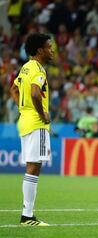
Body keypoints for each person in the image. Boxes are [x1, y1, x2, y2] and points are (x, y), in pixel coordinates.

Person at [9, 33, 54, 226]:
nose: (52, 50)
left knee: (32, 165)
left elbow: (13, 89)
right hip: (36, 123)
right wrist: (42, 113)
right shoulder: (38, 70)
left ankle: (27, 215)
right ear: (39, 50)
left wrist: (22, 108)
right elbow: (36, 92)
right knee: (34, 166)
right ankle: (27, 215)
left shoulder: (25, 68)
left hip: (25, 121)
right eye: (49, 47)